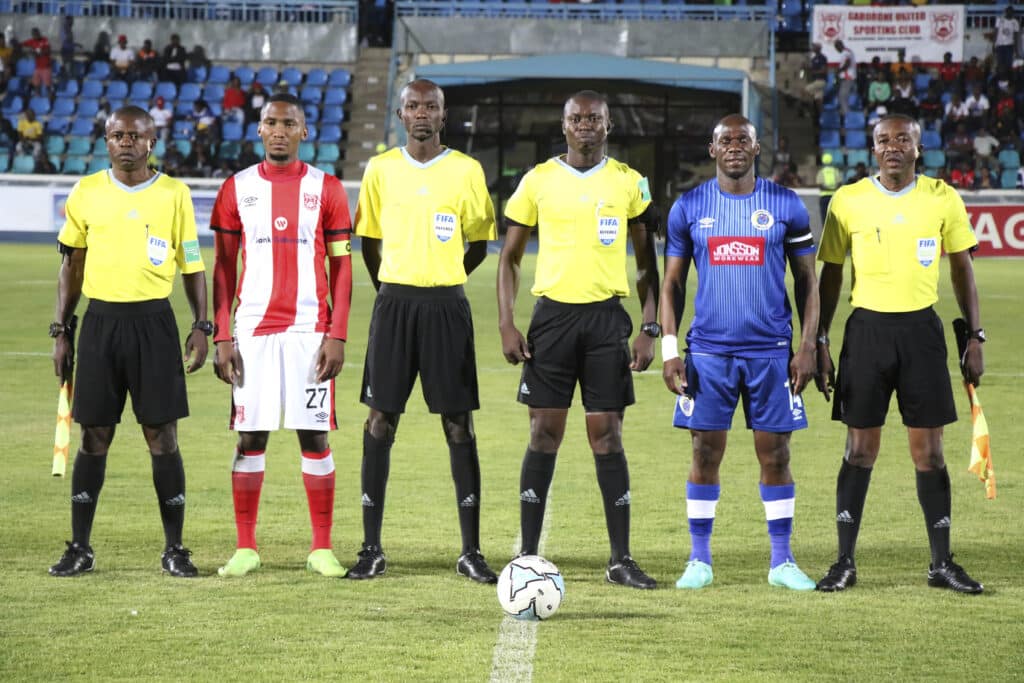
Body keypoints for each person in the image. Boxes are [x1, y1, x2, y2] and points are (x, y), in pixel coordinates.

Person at [815, 114, 985, 594]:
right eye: (884, 140)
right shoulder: (848, 201)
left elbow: (962, 271)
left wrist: (976, 335)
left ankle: (941, 564)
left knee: (929, 452)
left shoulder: (941, 197)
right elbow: (829, 275)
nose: (893, 147)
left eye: (903, 139)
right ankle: (844, 561)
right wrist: (821, 340)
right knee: (859, 450)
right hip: (866, 330)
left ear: (918, 146)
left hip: (922, 332)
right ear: (873, 149)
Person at [497, 90, 660, 589]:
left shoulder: (630, 183)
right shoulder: (537, 180)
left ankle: (620, 559)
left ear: (608, 126)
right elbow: (509, 258)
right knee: (543, 433)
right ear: (563, 125)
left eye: (595, 118)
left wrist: (650, 325)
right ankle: (526, 555)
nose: (585, 125)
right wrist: (507, 320)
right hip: (552, 320)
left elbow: (647, 263)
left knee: (606, 434)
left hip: (607, 321)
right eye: (576, 118)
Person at [48, 105, 210, 578]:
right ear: (105, 141)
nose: (126, 143)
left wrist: (203, 325)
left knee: (162, 435)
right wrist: (61, 330)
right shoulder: (86, 192)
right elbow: (71, 266)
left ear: (151, 140)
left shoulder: (174, 194)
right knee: (94, 434)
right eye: (117, 135)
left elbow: (193, 263)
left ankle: (175, 549)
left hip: (154, 324)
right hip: (100, 324)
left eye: (135, 136)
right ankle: (80, 547)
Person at [347, 79, 498, 583]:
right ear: (399, 113)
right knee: (380, 421)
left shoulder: (467, 171)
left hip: (447, 307)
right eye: (413, 105)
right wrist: (392, 285)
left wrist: (445, 274)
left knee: (458, 422)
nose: (421, 114)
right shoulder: (381, 169)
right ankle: (371, 548)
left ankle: (471, 551)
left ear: (443, 114)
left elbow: (478, 242)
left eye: (430, 106)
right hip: (394, 304)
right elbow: (368, 240)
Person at [659, 115, 819, 591]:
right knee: (704, 451)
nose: (734, 147)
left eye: (742, 140)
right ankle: (699, 560)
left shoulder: (786, 205)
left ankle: (782, 561)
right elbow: (671, 284)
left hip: (771, 352)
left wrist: (808, 346)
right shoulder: (689, 207)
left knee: (776, 454)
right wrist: (670, 349)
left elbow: (809, 283)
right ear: (712, 150)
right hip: (707, 353)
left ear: (756, 149)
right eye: (725, 140)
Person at [211, 93, 353, 578]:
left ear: (303, 131)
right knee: (250, 437)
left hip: (309, 333)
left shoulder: (327, 188)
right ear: (258, 128)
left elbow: (342, 268)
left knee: (314, 437)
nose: (278, 130)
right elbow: (224, 267)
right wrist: (222, 337)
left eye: (287, 123)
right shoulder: (237, 188)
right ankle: (246, 547)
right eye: (270, 122)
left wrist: (337, 334)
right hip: (251, 333)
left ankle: (321, 548)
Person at [22, 27, 51, 95]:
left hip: (46, 67)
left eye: (36, 34)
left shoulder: (44, 40)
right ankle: (37, 99)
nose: (35, 36)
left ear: (39, 33)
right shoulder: (31, 41)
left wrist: (37, 51)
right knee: (36, 85)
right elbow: (22, 44)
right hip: (37, 68)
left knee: (47, 86)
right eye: (33, 35)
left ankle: (50, 102)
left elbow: (47, 50)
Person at [817, 152, 842, 221]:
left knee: (824, 218)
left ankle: (826, 231)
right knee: (834, 218)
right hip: (834, 197)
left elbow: (820, 186)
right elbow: (839, 184)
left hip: (824, 197)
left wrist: (828, 189)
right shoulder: (836, 171)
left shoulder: (821, 172)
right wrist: (833, 189)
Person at [993, 7, 1019, 73]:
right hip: (1000, 45)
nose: (1009, 13)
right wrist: (994, 44)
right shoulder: (999, 19)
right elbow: (995, 32)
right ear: (1005, 12)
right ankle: (1001, 80)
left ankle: (1007, 79)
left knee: (1008, 64)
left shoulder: (1015, 22)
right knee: (1000, 63)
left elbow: (1016, 37)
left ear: (1013, 13)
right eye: (1008, 11)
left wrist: (1016, 50)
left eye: (1011, 12)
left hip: (1009, 46)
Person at [835, 40, 856, 116]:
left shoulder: (845, 52)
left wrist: (839, 70)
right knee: (844, 97)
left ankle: (848, 116)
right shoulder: (847, 51)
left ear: (839, 45)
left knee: (842, 97)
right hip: (848, 78)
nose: (836, 49)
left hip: (847, 78)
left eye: (836, 47)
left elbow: (847, 62)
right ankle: (844, 116)